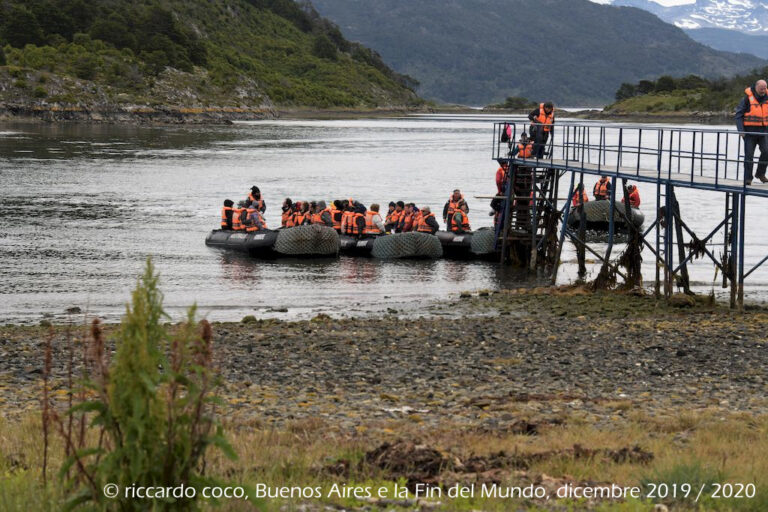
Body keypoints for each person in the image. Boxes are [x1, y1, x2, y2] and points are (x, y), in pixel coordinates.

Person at [735, 79, 768, 185]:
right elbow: (738, 115)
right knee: (749, 155)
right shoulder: (747, 99)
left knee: (767, 151)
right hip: (749, 132)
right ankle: (748, 178)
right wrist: (741, 131)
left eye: (765, 88)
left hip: (764, 131)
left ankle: (760, 174)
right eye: (761, 89)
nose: (763, 90)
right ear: (756, 87)